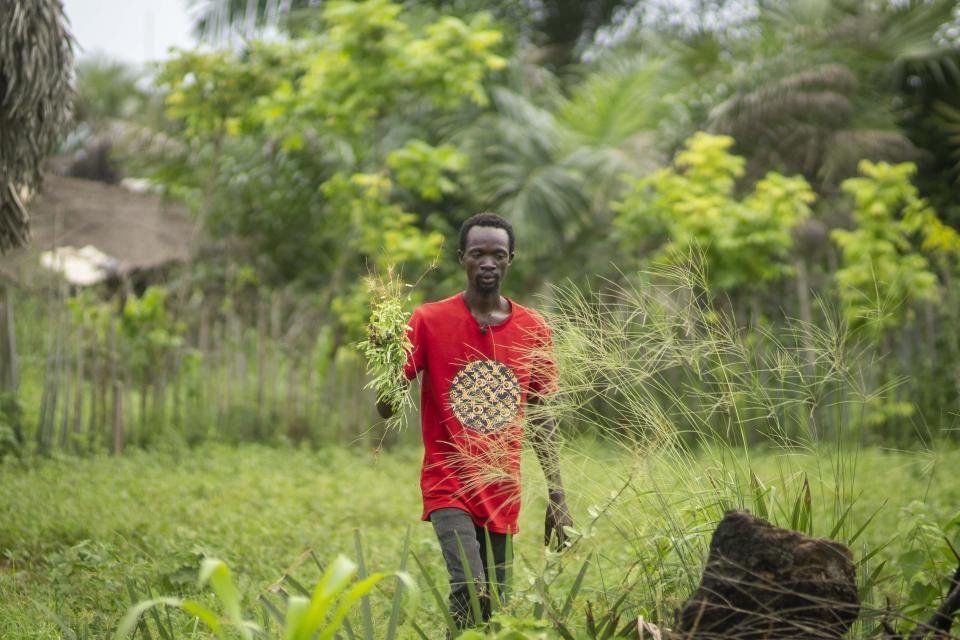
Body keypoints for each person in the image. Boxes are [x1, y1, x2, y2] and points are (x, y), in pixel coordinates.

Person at [376, 212, 572, 629]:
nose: (488, 262)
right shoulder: (428, 320)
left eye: (497, 254)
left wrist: (558, 497)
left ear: (510, 260)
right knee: (470, 586)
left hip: (501, 488)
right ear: (462, 258)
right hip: (448, 481)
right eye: (478, 253)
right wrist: (387, 361)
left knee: (492, 611)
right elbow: (387, 408)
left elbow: (541, 416)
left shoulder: (534, 328)